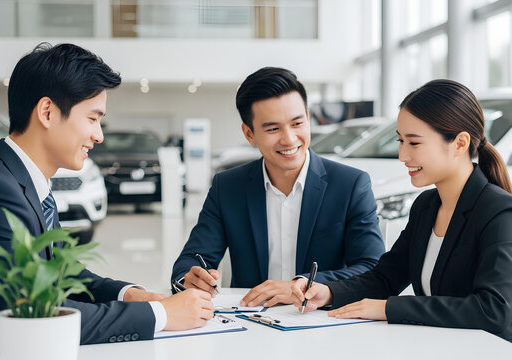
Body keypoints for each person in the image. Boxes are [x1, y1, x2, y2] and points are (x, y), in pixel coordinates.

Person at [0, 43, 214, 345]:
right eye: (92, 118)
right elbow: (32, 313)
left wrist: (131, 295)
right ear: (47, 112)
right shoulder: (2, 189)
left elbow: (60, 272)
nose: (99, 135)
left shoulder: (25, 181)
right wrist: (160, 315)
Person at [291, 79, 512, 341]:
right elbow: (386, 277)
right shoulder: (426, 206)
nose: (402, 155)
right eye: (400, 141)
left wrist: (387, 308)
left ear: (460, 143)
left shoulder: (498, 212)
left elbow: (494, 310)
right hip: (439, 347)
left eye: (414, 143)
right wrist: (328, 292)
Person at [171, 67, 385, 308]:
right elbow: (191, 260)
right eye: (273, 129)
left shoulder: (350, 184)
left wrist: (304, 284)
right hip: (251, 322)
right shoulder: (228, 187)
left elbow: (371, 266)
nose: (289, 139)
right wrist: (189, 279)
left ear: (307, 117)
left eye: (297, 123)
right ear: (249, 134)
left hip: (322, 321)